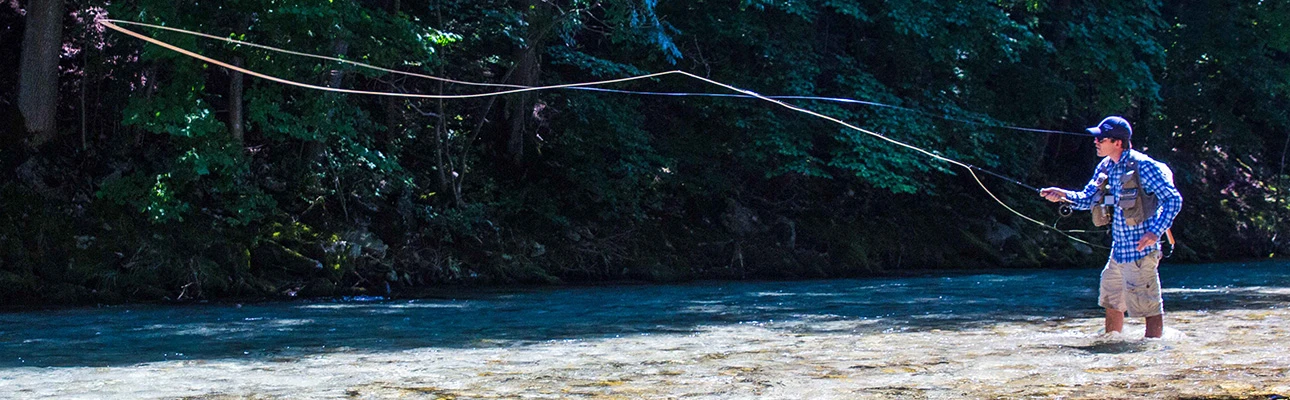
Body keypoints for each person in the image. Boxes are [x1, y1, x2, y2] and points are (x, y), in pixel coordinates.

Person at [1040, 116, 1182, 338]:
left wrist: (1155, 232)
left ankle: (1155, 353)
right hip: (1118, 251)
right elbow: (1088, 198)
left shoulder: (1143, 166)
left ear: (1117, 142)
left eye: (1100, 138)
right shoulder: (1105, 166)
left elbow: (1173, 199)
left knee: (1148, 306)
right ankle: (1112, 344)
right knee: (1112, 301)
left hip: (1141, 250)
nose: (1095, 142)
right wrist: (1062, 195)